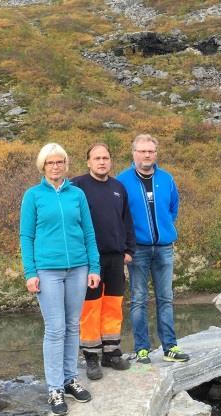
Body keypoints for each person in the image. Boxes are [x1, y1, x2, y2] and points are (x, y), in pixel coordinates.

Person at [20, 143, 101, 416]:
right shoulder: (33, 196)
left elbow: (89, 232)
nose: (56, 167)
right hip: (48, 271)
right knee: (55, 329)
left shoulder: (77, 195)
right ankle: (54, 388)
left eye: (60, 162)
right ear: (43, 166)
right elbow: (26, 236)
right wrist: (30, 272)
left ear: (66, 165)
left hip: (78, 268)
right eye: (51, 163)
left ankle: (70, 380)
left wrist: (94, 267)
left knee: (72, 325)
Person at [117, 134, 190, 364]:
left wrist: (165, 228)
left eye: (151, 151)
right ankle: (142, 349)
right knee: (139, 299)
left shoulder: (166, 179)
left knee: (165, 298)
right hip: (137, 249)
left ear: (155, 154)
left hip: (164, 248)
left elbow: (173, 208)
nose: (147, 155)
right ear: (134, 153)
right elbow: (118, 215)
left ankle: (170, 347)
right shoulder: (123, 181)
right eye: (142, 151)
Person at [72, 144, 136, 380]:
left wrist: (129, 249)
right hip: (90, 259)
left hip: (115, 257)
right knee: (90, 308)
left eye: (105, 158)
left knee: (113, 305)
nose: (101, 162)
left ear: (111, 161)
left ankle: (112, 352)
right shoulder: (77, 186)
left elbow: (126, 220)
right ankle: (91, 357)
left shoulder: (118, 187)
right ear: (88, 162)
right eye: (97, 158)